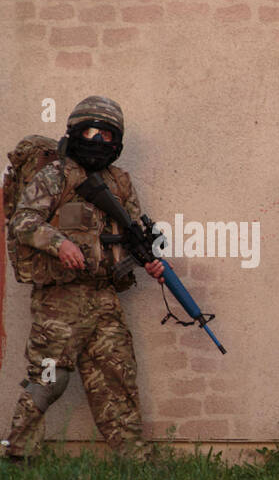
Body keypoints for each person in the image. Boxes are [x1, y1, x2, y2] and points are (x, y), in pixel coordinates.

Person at [4, 96, 164, 461]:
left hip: (105, 297)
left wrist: (150, 261)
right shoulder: (55, 175)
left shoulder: (119, 183)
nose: (98, 141)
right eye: (91, 132)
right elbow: (24, 222)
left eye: (107, 135)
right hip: (60, 298)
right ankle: (18, 452)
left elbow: (134, 230)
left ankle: (133, 459)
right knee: (49, 377)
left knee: (116, 376)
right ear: (76, 132)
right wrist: (59, 244)